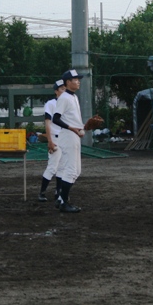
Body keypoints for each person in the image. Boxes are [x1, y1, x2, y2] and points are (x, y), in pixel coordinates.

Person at [52, 69, 85, 213]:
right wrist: (72, 128)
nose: (78, 81)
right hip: (68, 135)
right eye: (75, 79)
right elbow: (55, 118)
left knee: (76, 170)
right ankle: (64, 202)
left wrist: (82, 128)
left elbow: (72, 118)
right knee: (71, 170)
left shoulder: (73, 97)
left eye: (78, 79)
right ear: (67, 82)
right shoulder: (64, 97)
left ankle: (60, 199)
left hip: (74, 134)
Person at [38, 79, 66, 202]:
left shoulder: (68, 102)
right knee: (52, 167)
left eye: (65, 88)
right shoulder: (51, 103)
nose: (64, 90)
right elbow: (47, 123)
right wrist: (49, 140)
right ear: (56, 91)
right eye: (62, 88)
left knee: (62, 167)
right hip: (55, 138)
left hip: (65, 138)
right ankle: (42, 193)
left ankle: (58, 192)